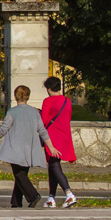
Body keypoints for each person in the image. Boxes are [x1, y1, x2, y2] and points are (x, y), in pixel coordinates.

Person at [0, 85, 58, 207]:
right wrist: (51, 146)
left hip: (15, 147)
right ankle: (16, 202)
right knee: (21, 174)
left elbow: (3, 129)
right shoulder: (34, 112)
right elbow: (42, 130)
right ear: (28, 96)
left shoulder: (12, 112)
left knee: (19, 174)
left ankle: (33, 195)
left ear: (15, 96)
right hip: (29, 148)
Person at [41, 76, 78, 208]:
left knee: (54, 166)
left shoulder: (48, 101)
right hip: (65, 135)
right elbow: (68, 117)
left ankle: (68, 193)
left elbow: (43, 121)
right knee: (53, 165)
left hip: (53, 137)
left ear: (49, 89)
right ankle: (51, 197)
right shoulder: (66, 101)